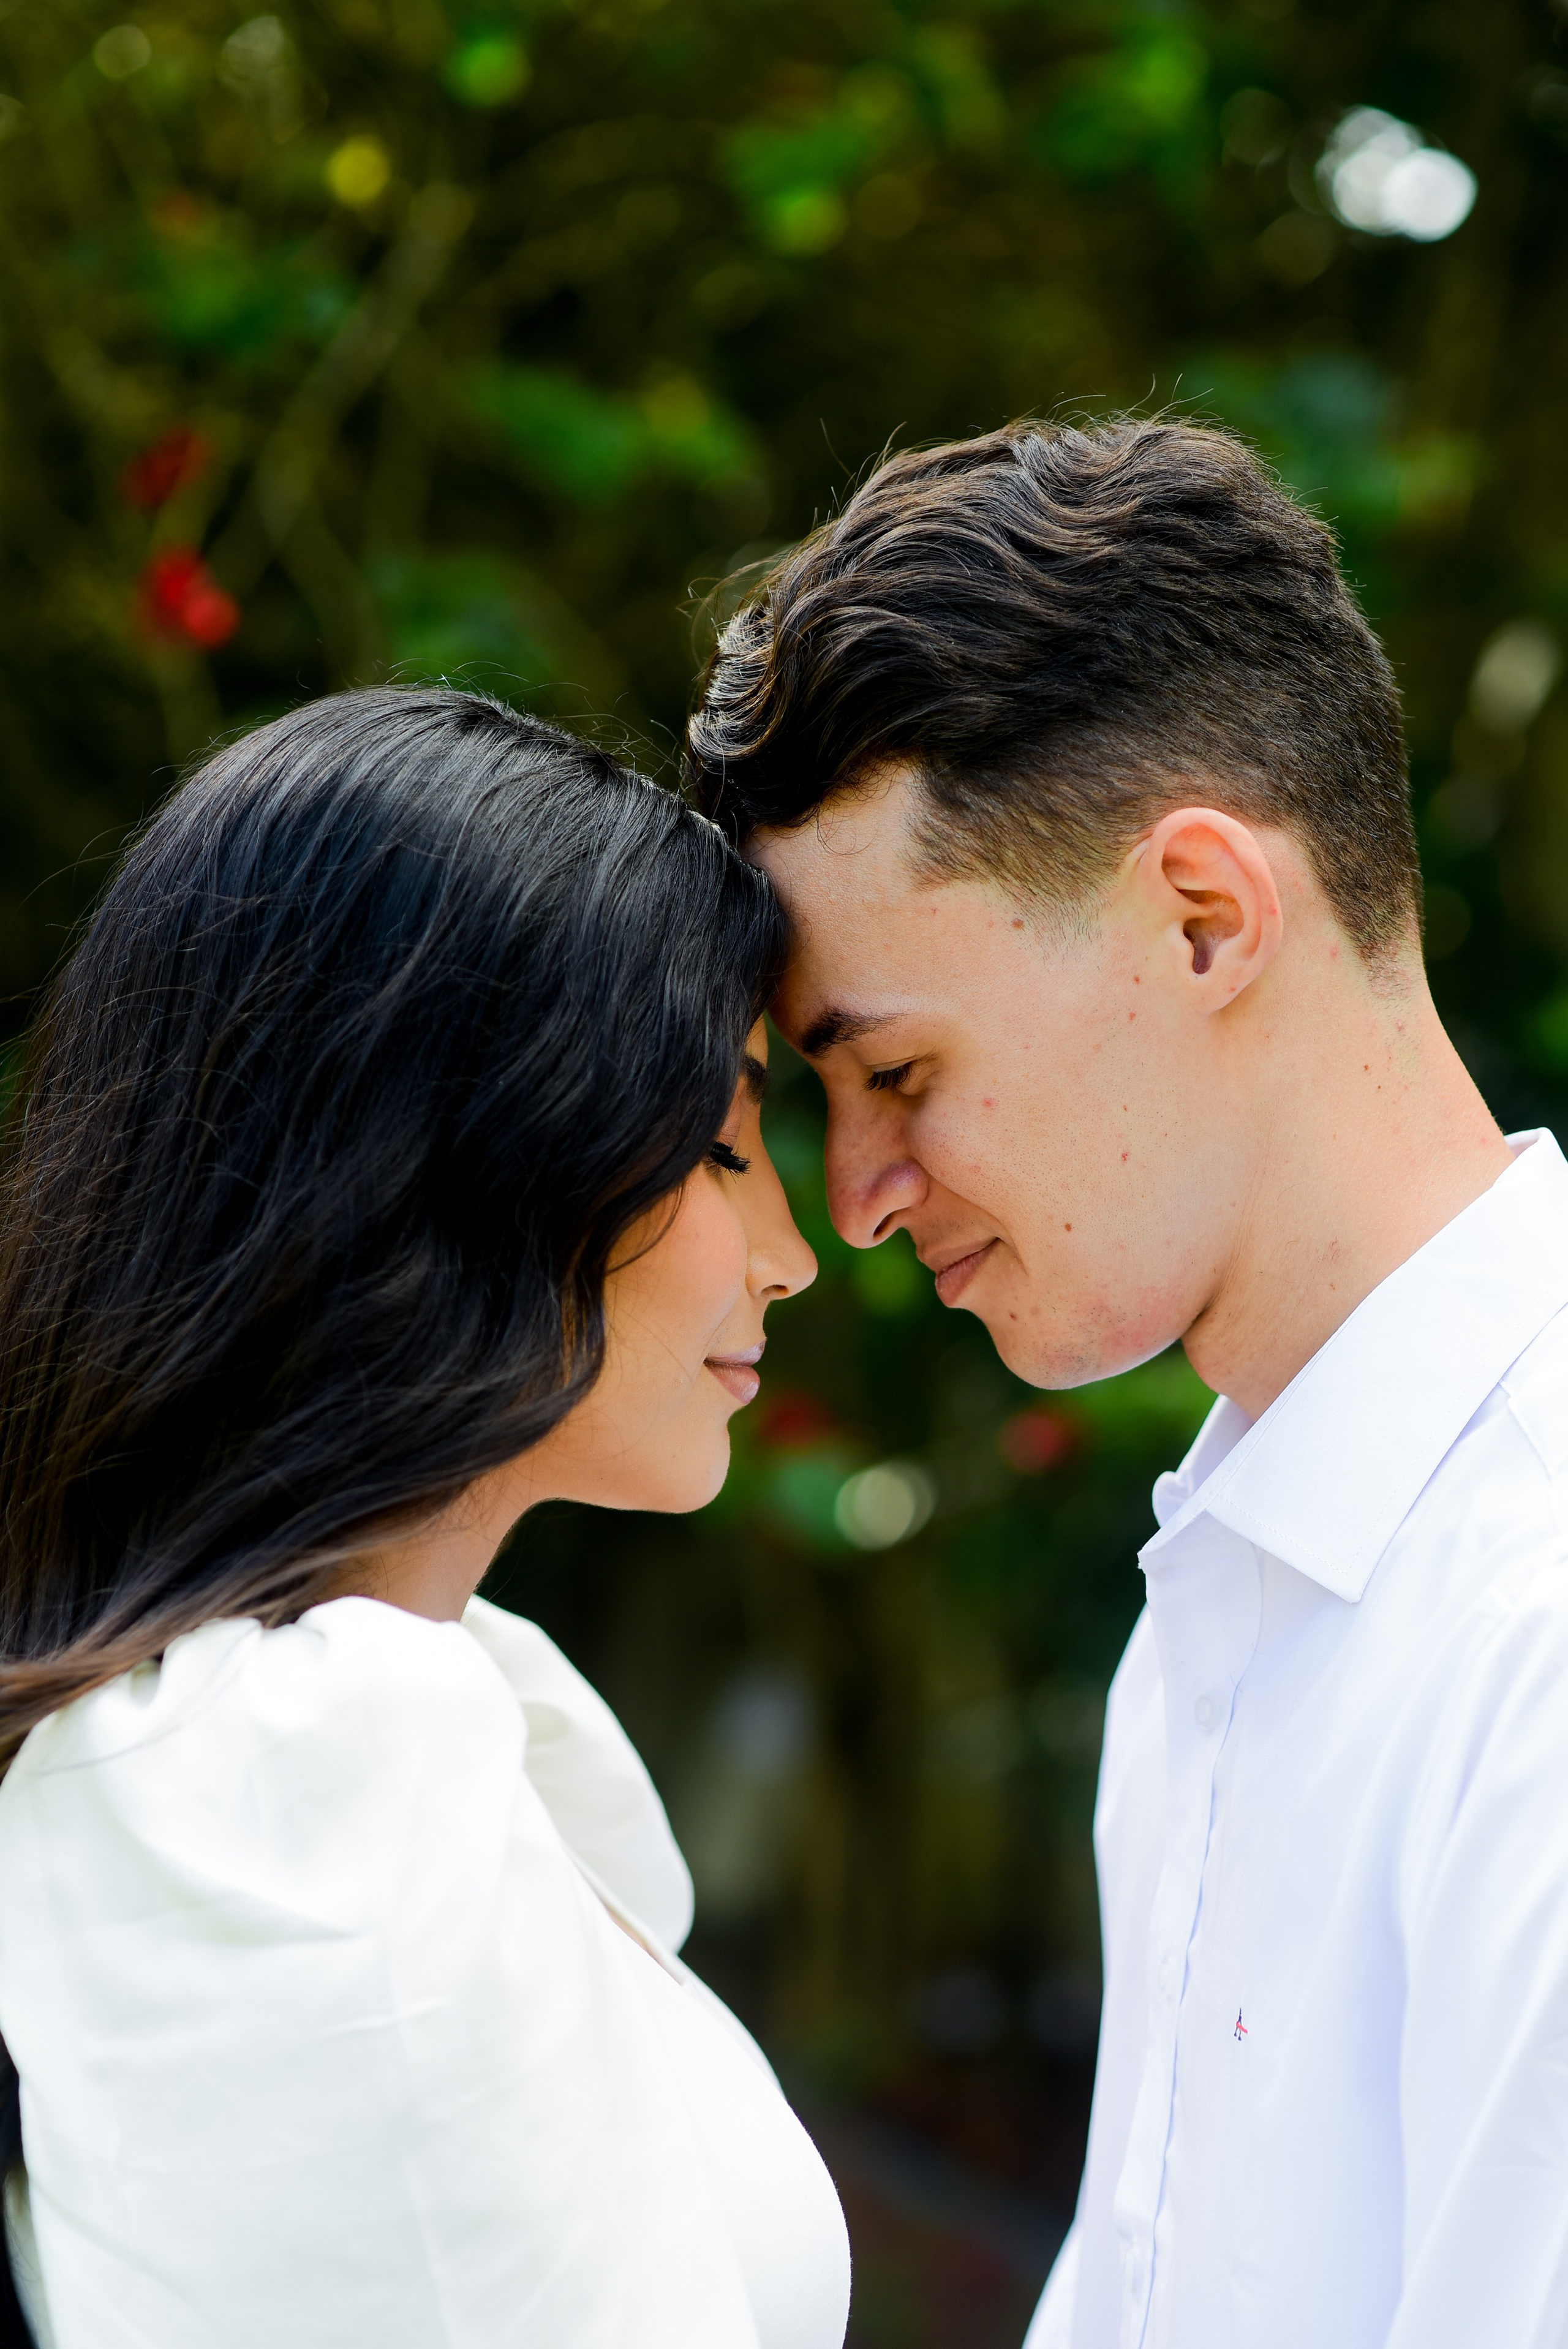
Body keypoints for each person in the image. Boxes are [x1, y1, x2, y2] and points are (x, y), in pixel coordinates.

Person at [685, 418, 1568, 2349]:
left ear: (1203, 916)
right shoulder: (1232, 1583)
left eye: (895, 1071)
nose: (855, 1206)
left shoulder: (1537, 1616)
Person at [0, 687, 847, 2349]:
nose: (795, 1254)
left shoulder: (351, 1744)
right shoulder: (297, 1794)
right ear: (476, 1148)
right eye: (729, 1144)